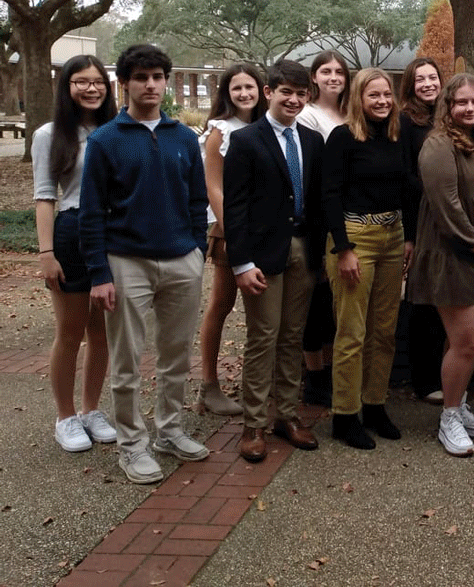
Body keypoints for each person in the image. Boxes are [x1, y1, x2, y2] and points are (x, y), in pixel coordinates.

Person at [80, 44, 210, 484]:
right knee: (128, 361)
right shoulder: (105, 141)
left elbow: (197, 199)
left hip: (182, 261)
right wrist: (99, 274)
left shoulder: (184, 137)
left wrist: (198, 251)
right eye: (141, 78)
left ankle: (169, 431)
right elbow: (91, 212)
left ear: (166, 82)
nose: (150, 85)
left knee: (176, 356)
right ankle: (131, 444)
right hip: (125, 262)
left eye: (157, 77)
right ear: (125, 84)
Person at [406, 74, 474, 457]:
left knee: (465, 340)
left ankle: (458, 404)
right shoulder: (438, 145)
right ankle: (449, 418)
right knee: (468, 340)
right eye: (461, 102)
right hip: (452, 253)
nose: (470, 108)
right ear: (448, 107)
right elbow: (447, 207)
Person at [225, 60, 325, 463]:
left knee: (292, 335)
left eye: (302, 93)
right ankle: (253, 424)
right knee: (263, 336)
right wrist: (241, 263)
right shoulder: (247, 140)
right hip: (263, 254)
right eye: (287, 91)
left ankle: (287, 415)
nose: (294, 99)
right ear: (269, 93)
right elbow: (234, 207)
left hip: (304, 247)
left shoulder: (313, 142)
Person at [323, 68, 414, 449]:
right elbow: (329, 193)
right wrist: (343, 249)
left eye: (386, 95)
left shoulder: (399, 133)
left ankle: (375, 405)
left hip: (393, 237)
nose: (381, 101)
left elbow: (409, 187)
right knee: (352, 332)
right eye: (373, 95)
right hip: (355, 237)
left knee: (384, 330)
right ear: (359, 98)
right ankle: (345, 415)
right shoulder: (343, 138)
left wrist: (408, 237)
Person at [33, 55, 118, 453]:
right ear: (66, 87)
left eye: (98, 81)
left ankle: (90, 410)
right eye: (80, 81)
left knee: (101, 331)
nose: (91, 88)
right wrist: (47, 252)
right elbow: (45, 196)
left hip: (112, 235)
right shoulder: (50, 134)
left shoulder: (117, 130)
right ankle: (65, 417)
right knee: (70, 330)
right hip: (71, 232)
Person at [195, 63, 267, 416]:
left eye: (249, 87)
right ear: (226, 93)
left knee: (263, 310)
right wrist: (234, 233)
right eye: (236, 88)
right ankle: (208, 384)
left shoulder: (266, 127)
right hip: (229, 231)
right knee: (221, 305)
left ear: (261, 90)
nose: (243, 94)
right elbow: (214, 186)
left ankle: (261, 382)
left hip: (265, 229)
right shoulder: (220, 132)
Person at [296, 50, 350, 407]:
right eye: (325, 71)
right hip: (319, 215)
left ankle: (332, 370)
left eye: (339, 71)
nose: (333, 77)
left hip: (352, 215)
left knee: (337, 299)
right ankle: (313, 376)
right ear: (313, 77)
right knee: (315, 299)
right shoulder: (308, 116)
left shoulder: (351, 113)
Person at [398, 57, 446, 404]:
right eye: (420, 80)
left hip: (449, 221)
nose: (428, 84)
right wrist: (409, 235)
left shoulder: (446, 117)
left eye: (433, 77)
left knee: (446, 298)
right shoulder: (405, 122)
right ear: (411, 86)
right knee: (422, 301)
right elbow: (404, 177)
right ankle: (424, 379)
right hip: (420, 220)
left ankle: (447, 372)